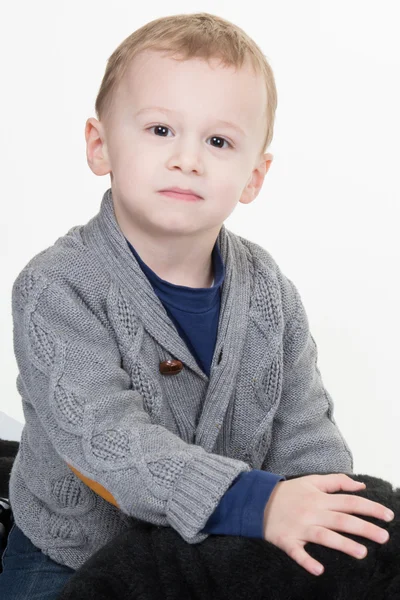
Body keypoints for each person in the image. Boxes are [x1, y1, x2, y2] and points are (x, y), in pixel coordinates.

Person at [0, 11, 394, 599]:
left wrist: (319, 501)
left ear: (253, 176)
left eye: (218, 140)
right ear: (100, 144)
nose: (188, 158)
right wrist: (259, 503)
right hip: (73, 550)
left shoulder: (267, 290)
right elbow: (107, 440)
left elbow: (304, 429)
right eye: (160, 130)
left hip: (211, 548)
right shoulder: (58, 287)